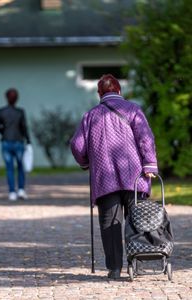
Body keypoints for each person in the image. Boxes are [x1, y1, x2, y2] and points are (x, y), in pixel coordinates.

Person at [70, 74, 158, 279]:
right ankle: (135, 264)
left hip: (104, 177)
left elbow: (76, 145)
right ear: (119, 91)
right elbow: (146, 138)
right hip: (134, 175)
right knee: (137, 220)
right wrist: (150, 165)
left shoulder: (90, 116)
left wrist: (85, 162)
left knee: (110, 223)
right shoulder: (133, 109)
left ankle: (115, 269)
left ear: (99, 93)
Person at [0, 88, 31, 201]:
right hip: (19, 141)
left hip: (6, 141)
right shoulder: (20, 112)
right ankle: (21, 190)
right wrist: (28, 139)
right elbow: (24, 127)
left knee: (9, 168)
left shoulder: (1, 111)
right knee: (21, 166)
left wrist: (3, 132)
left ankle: (11, 192)